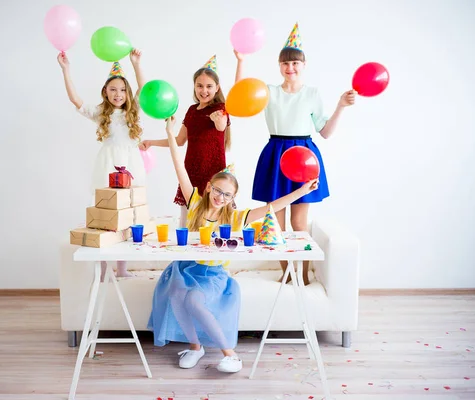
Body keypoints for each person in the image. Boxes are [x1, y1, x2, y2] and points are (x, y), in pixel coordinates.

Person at [147, 115, 318, 373]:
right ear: (207, 187)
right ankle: (196, 346)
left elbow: (271, 208)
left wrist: (302, 192)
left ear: (231, 199)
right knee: (176, 295)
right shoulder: (194, 203)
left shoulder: (236, 218)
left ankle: (231, 354)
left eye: (227, 194)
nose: (220, 197)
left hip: (211, 274)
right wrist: (171, 136)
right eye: (217, 190)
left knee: (193, 300)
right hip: (183, 268)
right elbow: (179, 168)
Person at [234, 23, 356, 284]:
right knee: (274, 226)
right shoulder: (270, 91)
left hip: (303, 157)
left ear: (304, 64)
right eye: (285, 63)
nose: (290, 68)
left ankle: (302, 276)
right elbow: (241, 94)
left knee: (299, 224)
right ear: (279, 66)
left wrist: (341, 106)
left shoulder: (312, 93)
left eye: (295, 63)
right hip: (276, 155)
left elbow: (325, 132)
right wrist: (241, 61)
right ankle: (287, 275)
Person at [58, 49, 146, 278]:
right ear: (105, 92)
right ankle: (103, 267)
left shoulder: (133, 110)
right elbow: (76, 100)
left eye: (123, 90)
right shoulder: (101, 113)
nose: (118, 94)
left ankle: (122, 268)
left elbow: (143, 89)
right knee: (107, 217)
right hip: (108, 165)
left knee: (127, 218)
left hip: (130, 165)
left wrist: (136, 64)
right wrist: (66, 70)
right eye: (113, 89)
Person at [139, 56, 230, 227]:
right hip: (191, 171)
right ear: (194, 87)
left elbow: (221, 127)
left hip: (213, 171)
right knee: (188, 217)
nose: (204, 90)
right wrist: (152, 142)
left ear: (217, 88)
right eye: (199, 86)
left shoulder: (221, 109)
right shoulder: (192, 111)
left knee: (212, 216)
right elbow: (179, 140)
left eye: (209, 86)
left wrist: (218, 119)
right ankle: (185, 249)